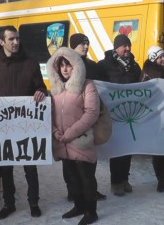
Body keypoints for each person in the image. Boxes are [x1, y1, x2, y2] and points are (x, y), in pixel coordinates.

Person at [0, 25, 47, 219]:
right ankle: (9, 203)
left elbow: (41, 87)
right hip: (4, 126)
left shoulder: (31, 63)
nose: (16, 42)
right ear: (2, 42)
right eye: (11, 39)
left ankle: (33, 202)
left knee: (30, 166)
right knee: (6, 168)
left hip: (26, 123)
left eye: (17, 38)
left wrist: (41, 92)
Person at [47, 47, 100, 225]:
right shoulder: (56, 90)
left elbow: (91, 113)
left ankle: (91, 212)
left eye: (68, 65)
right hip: (62, 143)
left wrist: (69, 133)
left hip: (81, 141)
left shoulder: (87, 85)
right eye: (61, 65)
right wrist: (55, 131)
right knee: (71, 178)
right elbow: (50, 113)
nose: (64, 69)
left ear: (76, 66)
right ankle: (79, 206)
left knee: (86, 178)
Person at [59, 33, 106, 202]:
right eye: (82, 44)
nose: (86, 47)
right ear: (73, 46)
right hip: (68, 122)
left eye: (87, 44)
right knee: (69, 162)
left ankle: (90, 192)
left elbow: (103, 85)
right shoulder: (64, 64)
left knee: (87, 161)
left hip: (87, 120)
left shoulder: (92, 66)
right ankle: (74, 192)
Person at [97, 34, 141, 196]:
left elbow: (140, 86)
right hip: (112, 113)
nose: (128, 49)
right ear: (116, 47)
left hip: (128, 112)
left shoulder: (134, 66)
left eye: (129, 45)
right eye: (124, 46)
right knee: (116, 148)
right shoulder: (104, 65)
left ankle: (124, 179)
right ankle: (115, 181)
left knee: (128, 148)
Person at [140, 46, 164, 192]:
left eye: (163, 56)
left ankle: (163, 176)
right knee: (157, 148)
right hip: (154, 114)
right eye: (159, 57)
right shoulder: (147, 72)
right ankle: (160, 178)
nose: (163, 59)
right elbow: (141, 90)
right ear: (152, 58)